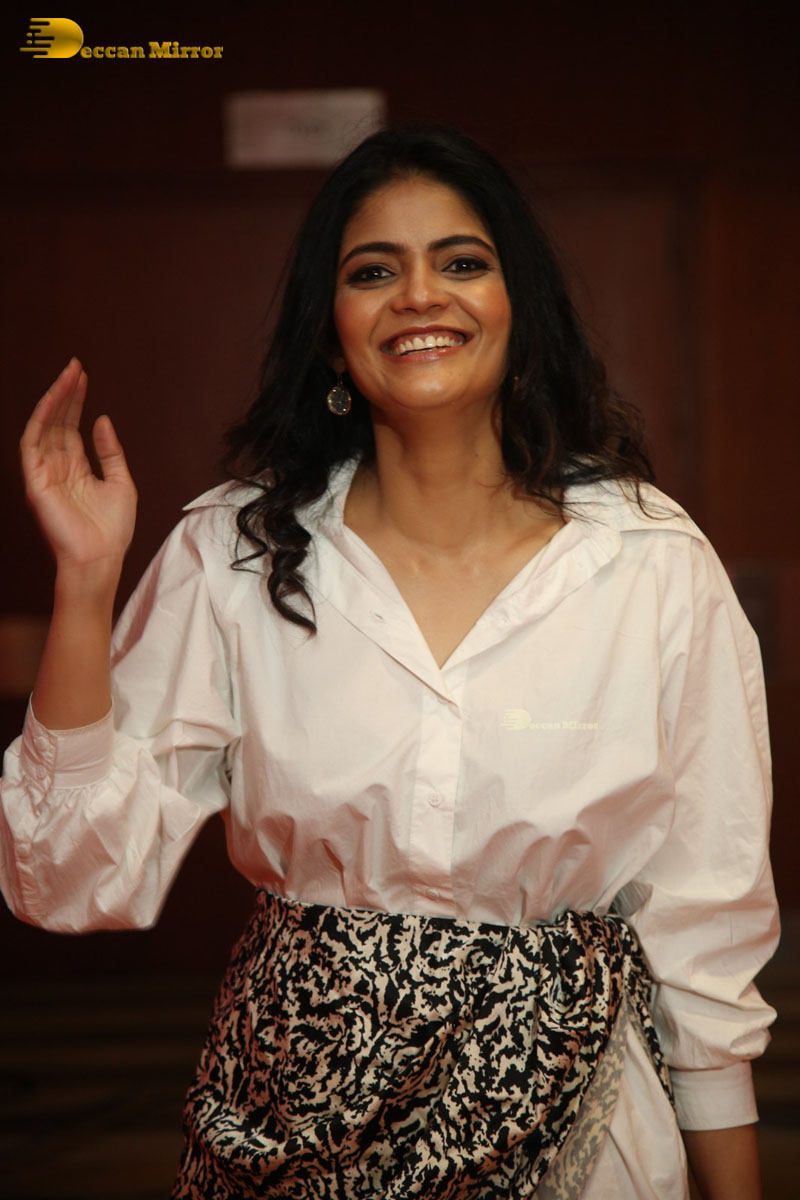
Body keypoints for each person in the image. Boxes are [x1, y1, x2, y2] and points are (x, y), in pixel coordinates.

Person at [0, 125, 778, 1199]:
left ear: (517, 307)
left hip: (585, 1139)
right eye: (373, 272)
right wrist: (87, 583)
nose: (419, 295)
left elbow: (705, 912)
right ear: (332, 339)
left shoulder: (648, 562)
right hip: (286, 1129)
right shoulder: (234, 553)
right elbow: (69, 878)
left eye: (460, 262)